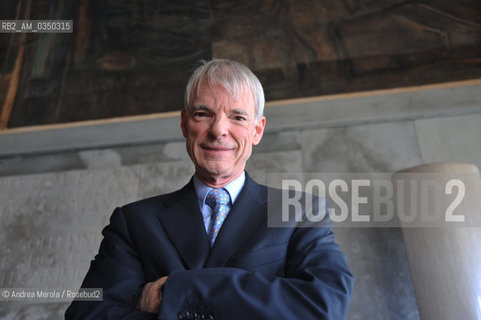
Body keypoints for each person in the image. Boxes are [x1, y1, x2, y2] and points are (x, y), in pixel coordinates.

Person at [65, 59, 353, 319]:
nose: (218, 130)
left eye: (238, 117)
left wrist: (176, 292)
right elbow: (87, 315)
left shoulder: (300, 212)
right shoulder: (134, 222)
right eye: (203, 114)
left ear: (257, 130)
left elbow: (324, 305)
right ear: (184, 123)